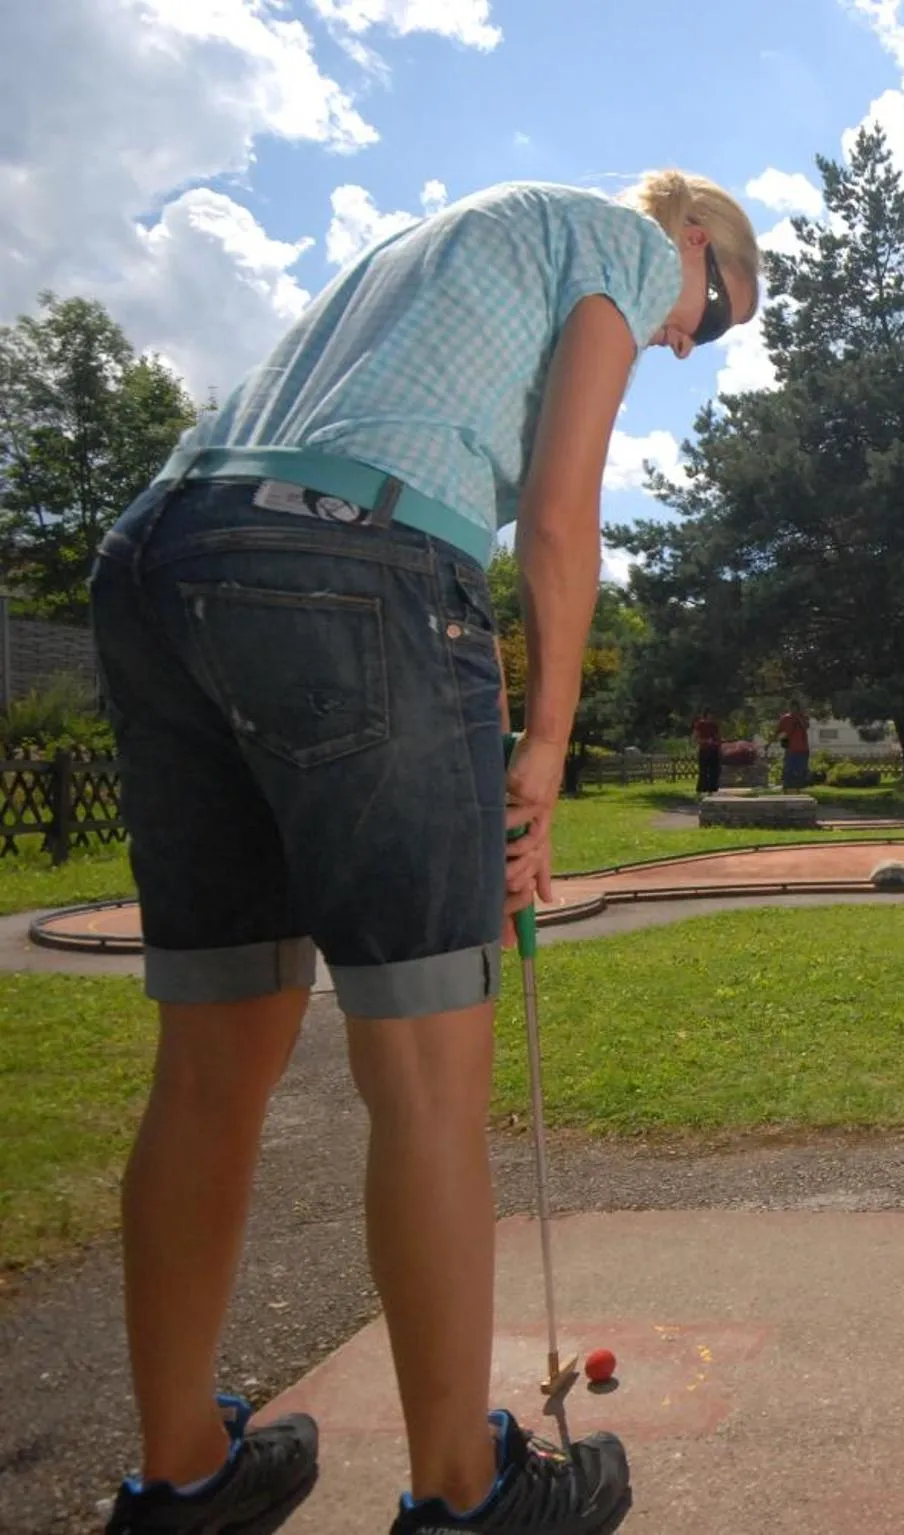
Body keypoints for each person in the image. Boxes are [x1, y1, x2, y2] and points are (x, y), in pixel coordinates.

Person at [88, 171, 760, 1535]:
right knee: (425, 1070)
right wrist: (548, 746)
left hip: (164, 555)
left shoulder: (450, 241)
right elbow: (561, 515)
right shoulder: (628, 243)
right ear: (695, 239)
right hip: (349, 564)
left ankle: (182, 1474)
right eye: (718, 311)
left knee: (212, 1055)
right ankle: (466, 1489)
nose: (688, 340)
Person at [777, 698, 811, 791]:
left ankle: (795, 786)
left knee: (796, 770)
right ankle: (790, 786)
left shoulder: (800, 718)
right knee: (792, 769)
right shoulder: (788, 718)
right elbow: (780, 732)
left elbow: (780, 733)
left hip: (799, 748)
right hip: (795, 748)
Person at [692, 709, 721, 795]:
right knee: (703, 771)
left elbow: (718, 737)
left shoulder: (714, 726)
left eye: (713, 714)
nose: (711, 716)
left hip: (714, 750)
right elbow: (694, 738)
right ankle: (701, 790)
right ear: (706, 715)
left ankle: (711, 790)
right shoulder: (700, 724)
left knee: (714, 771)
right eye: (710, 714)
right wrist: (705, 741)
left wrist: (717, 743)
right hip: (704, 750)